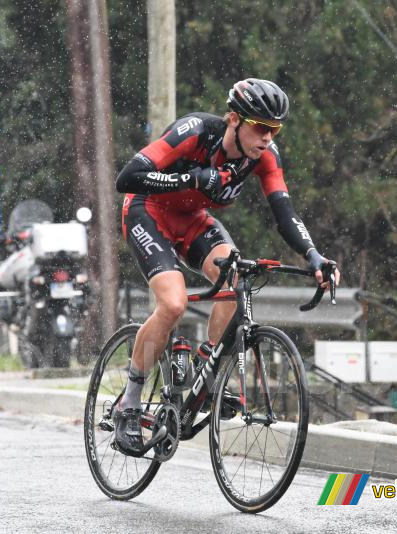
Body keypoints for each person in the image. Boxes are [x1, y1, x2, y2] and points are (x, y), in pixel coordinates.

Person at [113, 78, 340, 456]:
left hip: (192, 220)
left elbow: (285, 214)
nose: (268, 138)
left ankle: (206, 377)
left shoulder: (266, 156)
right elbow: (127, 177)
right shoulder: (196, 131)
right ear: (234, 119)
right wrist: (190, 177)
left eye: (275, 129)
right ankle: (129, 403)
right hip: (147, 210)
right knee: (172, 305)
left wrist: (314, 255)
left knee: (236, 282)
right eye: (261, 127)